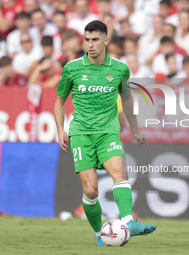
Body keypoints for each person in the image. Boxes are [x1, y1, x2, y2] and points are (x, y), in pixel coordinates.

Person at [53, 20, 156, 247]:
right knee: (91, 191)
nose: (90, 45)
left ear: (106, 40)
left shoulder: (119, 69)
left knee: (119, 172)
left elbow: (127, 97)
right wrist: (60, 128)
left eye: (95, 40)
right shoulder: (72, 68)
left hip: (108, 132)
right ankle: (101, 232)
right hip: (81, 133)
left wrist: (136, 129)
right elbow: (59, 101)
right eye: (87, 40)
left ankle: (129, 221)